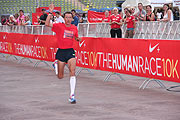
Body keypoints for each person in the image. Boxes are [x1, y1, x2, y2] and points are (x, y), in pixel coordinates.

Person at [45, 3, 81, 104]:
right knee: (60, 76)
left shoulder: (74, 28)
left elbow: (75, 37)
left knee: (72, 71)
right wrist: (50, 13)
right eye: (67, 17)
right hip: (61, 52)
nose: (68, 19)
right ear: (64, 18)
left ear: (72, 19)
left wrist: (78, 38)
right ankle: (56, 64)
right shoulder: (59, 26)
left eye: (70, 17)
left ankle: (72, 95)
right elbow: (47, 24)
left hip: (70, 51)